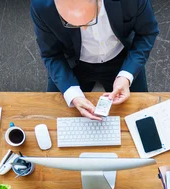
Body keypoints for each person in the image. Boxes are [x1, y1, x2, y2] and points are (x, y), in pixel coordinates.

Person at [30, 0, 159, 120]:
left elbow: (147, 33)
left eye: (90, 21)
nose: (84, 29)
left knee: (141, 115)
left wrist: (126, 75)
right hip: (72, 64)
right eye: (70, 23)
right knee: (52, 116)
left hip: (122, 60)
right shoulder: (41, 6)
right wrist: (73, 94)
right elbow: (51, 54)